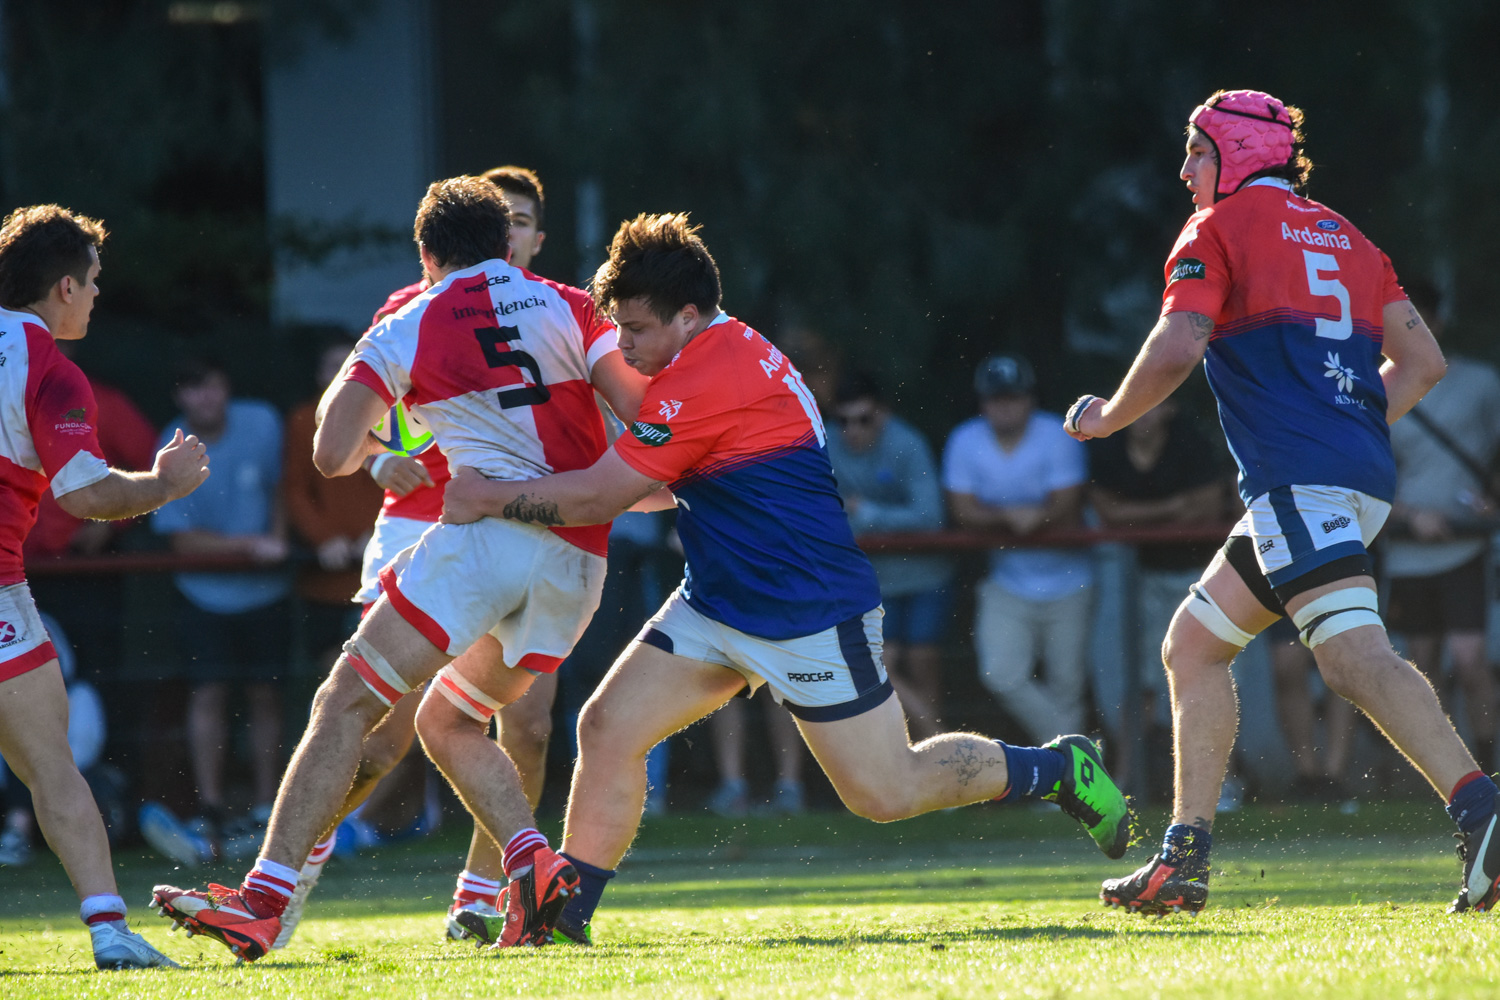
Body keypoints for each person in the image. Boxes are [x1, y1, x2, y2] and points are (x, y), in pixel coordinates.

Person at [437, 211, 1135, 946]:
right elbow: (658, 483)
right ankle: (562, 920)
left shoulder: (707, 377)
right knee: (607, 730)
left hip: (810, 613)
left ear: (687, 314)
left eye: (635, 330)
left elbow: (607, 495)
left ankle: (1057, 768)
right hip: (717, 604)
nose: (625, 345)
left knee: (884, 792)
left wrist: (489, 495)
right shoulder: (715, 353)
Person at [151, 174, 649, 961]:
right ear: (506, 241)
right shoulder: (573, 305)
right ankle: (532, 863)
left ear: (426, 252)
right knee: (447, 723)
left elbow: (331, 450)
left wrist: (385, 429)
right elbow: (639, 411)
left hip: (481, 542)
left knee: (345, 701)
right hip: (577, 559)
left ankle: (263, 900)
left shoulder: (409, 320)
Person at [1063, 89, 1493, 916]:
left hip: (1301, 481)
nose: (1186, 168)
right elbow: (1425, 363)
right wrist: (1351, 423)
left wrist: (1110, 416)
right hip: (1349, 474)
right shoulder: (1348, 236)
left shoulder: (1216, 229)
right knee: (1193, 646)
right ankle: (1183, 860)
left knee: (1350, 659)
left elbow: (1180, 341)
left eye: (1196, 150)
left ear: (1233, 154)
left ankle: (1482, 805)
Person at [268, 165, 580, 950]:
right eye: (497, 217)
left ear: (536, 240)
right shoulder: (411, 311)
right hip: (424, 527)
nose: (508, 230)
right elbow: (350, 433)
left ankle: (484, 899)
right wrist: (379, 461)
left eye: (522, 220)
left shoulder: (563, 315)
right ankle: (291, 868)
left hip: (529, 533)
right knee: (379, 739)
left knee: (529, 726)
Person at [0, 203, 209, 969]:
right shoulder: (47, 368)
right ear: (62, 286)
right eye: (92, 282)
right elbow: (87, 496)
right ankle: (110, 932)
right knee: (51, 761)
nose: (95, 295)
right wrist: (164, 482)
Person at [146, 358, 290, 861]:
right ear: (180, 398)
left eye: (211, 386)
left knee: (265, 695)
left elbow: (281, 490)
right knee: (207, 694)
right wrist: (252, 546)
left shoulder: (264, 423)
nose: (204, 399)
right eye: (193, 390)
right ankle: (209, 806)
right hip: (202, 594)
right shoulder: (170, 444)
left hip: (267, 592)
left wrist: (277, 538)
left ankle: (266, 805)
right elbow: (180, 539)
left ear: (225, 386)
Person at [943, 354, 1093, 744]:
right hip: (1008, 580)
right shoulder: (965, 439)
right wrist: (1012, 516)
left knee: (1068, 684)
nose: (1004, 405)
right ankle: (1080, 755)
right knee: (1000, 674)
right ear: (982, 402)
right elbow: (961, 509)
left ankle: (1071, 785)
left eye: (1013, 396)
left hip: (1070, 581)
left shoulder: (1058, 432)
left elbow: (1067, 504)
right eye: (996, 398)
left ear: (1029, 398)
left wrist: (1036, 517)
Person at [1384, 280, 1500, 771]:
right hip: (1409, 548)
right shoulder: (1373, 388)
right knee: (1421, 666)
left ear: (1439, 321)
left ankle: (1490, 766)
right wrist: (1410, 517)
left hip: (1465, 544)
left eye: (1422, 318)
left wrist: (1492, 499)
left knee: (1470, 659)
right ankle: (1443, 774)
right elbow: (1363, 474)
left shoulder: (1480, 382)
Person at [1088, 398, 1228, 797]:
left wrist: (1137, 514)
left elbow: (1204, 508)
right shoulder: (1109, 443)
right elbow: (1107, 512)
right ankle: (1127, 782)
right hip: (1134, 579)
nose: (1141, 412)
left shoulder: (1192, 442)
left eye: (1151, 405)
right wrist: (1171, 509)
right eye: (1136, 403)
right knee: (1136, 683)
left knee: (1204, 675)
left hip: (1196, 578)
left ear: (1169, 410)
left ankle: (1224, 782)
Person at [827, 368, 953, 739]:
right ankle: (941, 742)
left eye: (863, 419)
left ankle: (938, 762)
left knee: (923, 664)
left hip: (924, 576)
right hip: (873, 581)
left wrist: (868, 515)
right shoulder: (826, 445)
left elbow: (931, 517)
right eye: (843, 420)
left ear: (881, 413)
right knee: (879, 666)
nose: (853, 429)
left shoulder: (907, 444)